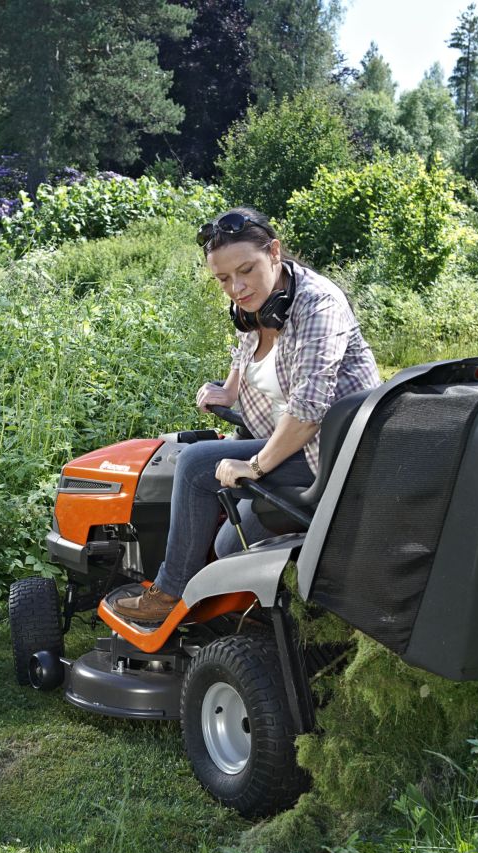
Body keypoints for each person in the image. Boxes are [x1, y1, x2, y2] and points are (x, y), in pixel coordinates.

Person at [111, 207, 381, 626]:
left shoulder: (318, 305)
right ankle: (264, 627)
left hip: (335, 458)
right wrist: (229, 388)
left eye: (246, 270)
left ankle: (170, 591)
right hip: (295, 447)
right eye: (223, 279)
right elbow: (247, 347)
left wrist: (253, 465)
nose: (236, 288)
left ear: (274, 252)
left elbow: (309, 412)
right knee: (226, 547)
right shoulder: (258, 303)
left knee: (196, 464)